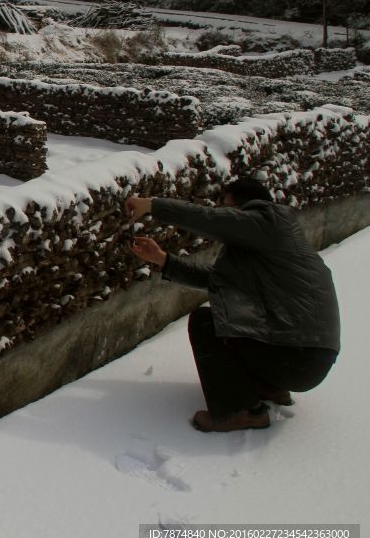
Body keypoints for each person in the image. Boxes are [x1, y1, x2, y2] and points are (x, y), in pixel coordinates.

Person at [125, 177, 340, 433]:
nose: (222, 211)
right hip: (308, 357)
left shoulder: (267, 221)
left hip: (299, 354)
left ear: (244, 206)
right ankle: (269, 387)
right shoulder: (264, 244)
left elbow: (209, 220)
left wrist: (151, 205)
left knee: (207, 323)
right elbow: (215, 280)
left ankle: (240, 411)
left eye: (226, 206)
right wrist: (161, 259)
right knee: (233, 320)